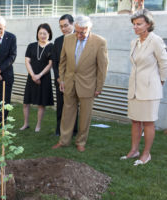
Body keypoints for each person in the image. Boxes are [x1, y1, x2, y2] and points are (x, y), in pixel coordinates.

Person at [52, 15, 109, 152]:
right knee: (67, 113)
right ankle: (64, 140)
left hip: (88, 84)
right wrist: (62, 79)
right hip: (69, 82)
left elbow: (103, 66)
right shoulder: (68, 39)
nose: (79, 35)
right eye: (77, 31)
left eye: (82, 32)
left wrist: (99, 87)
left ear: (89, 29)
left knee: (85, 115)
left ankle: (81, 141)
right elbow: (62, 62)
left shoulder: (100, 42)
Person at [120, 9, 167, 165]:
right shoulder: (134, 42)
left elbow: (164, 63)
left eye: (139, 24)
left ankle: (146, 154)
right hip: (134, 89)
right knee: (135, 121)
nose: (135, 27)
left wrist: (160, 82)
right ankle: (134, 150)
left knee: (148, 122)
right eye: (134, 24)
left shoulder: (156, 40)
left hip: (150, 90)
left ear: (148, 24)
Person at [19, 23, 53, 132]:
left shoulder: (52, 47)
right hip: (31, 76)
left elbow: (50, 64)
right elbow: (27, 61)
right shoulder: (31, 46)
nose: (42, 35)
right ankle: (26, 124)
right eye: (40, 33)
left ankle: (38, 125)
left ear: (49, 34)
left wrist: (39, 75)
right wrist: (33, 75)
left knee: (41, 104)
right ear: (37, 34)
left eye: (45, 33)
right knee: (26, 102)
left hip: (44, 78)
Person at [52, 14, 78, 137]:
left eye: (66, 25)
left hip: (75, 79)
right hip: (60, 80)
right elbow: (55, 62)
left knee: (73, 106)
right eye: (61, 27)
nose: (64, 29)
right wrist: (58, 77)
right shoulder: (58, 41)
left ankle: (74, 130)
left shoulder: (80, 38)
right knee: (61, 105)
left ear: (73, 24)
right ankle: (59, 129)